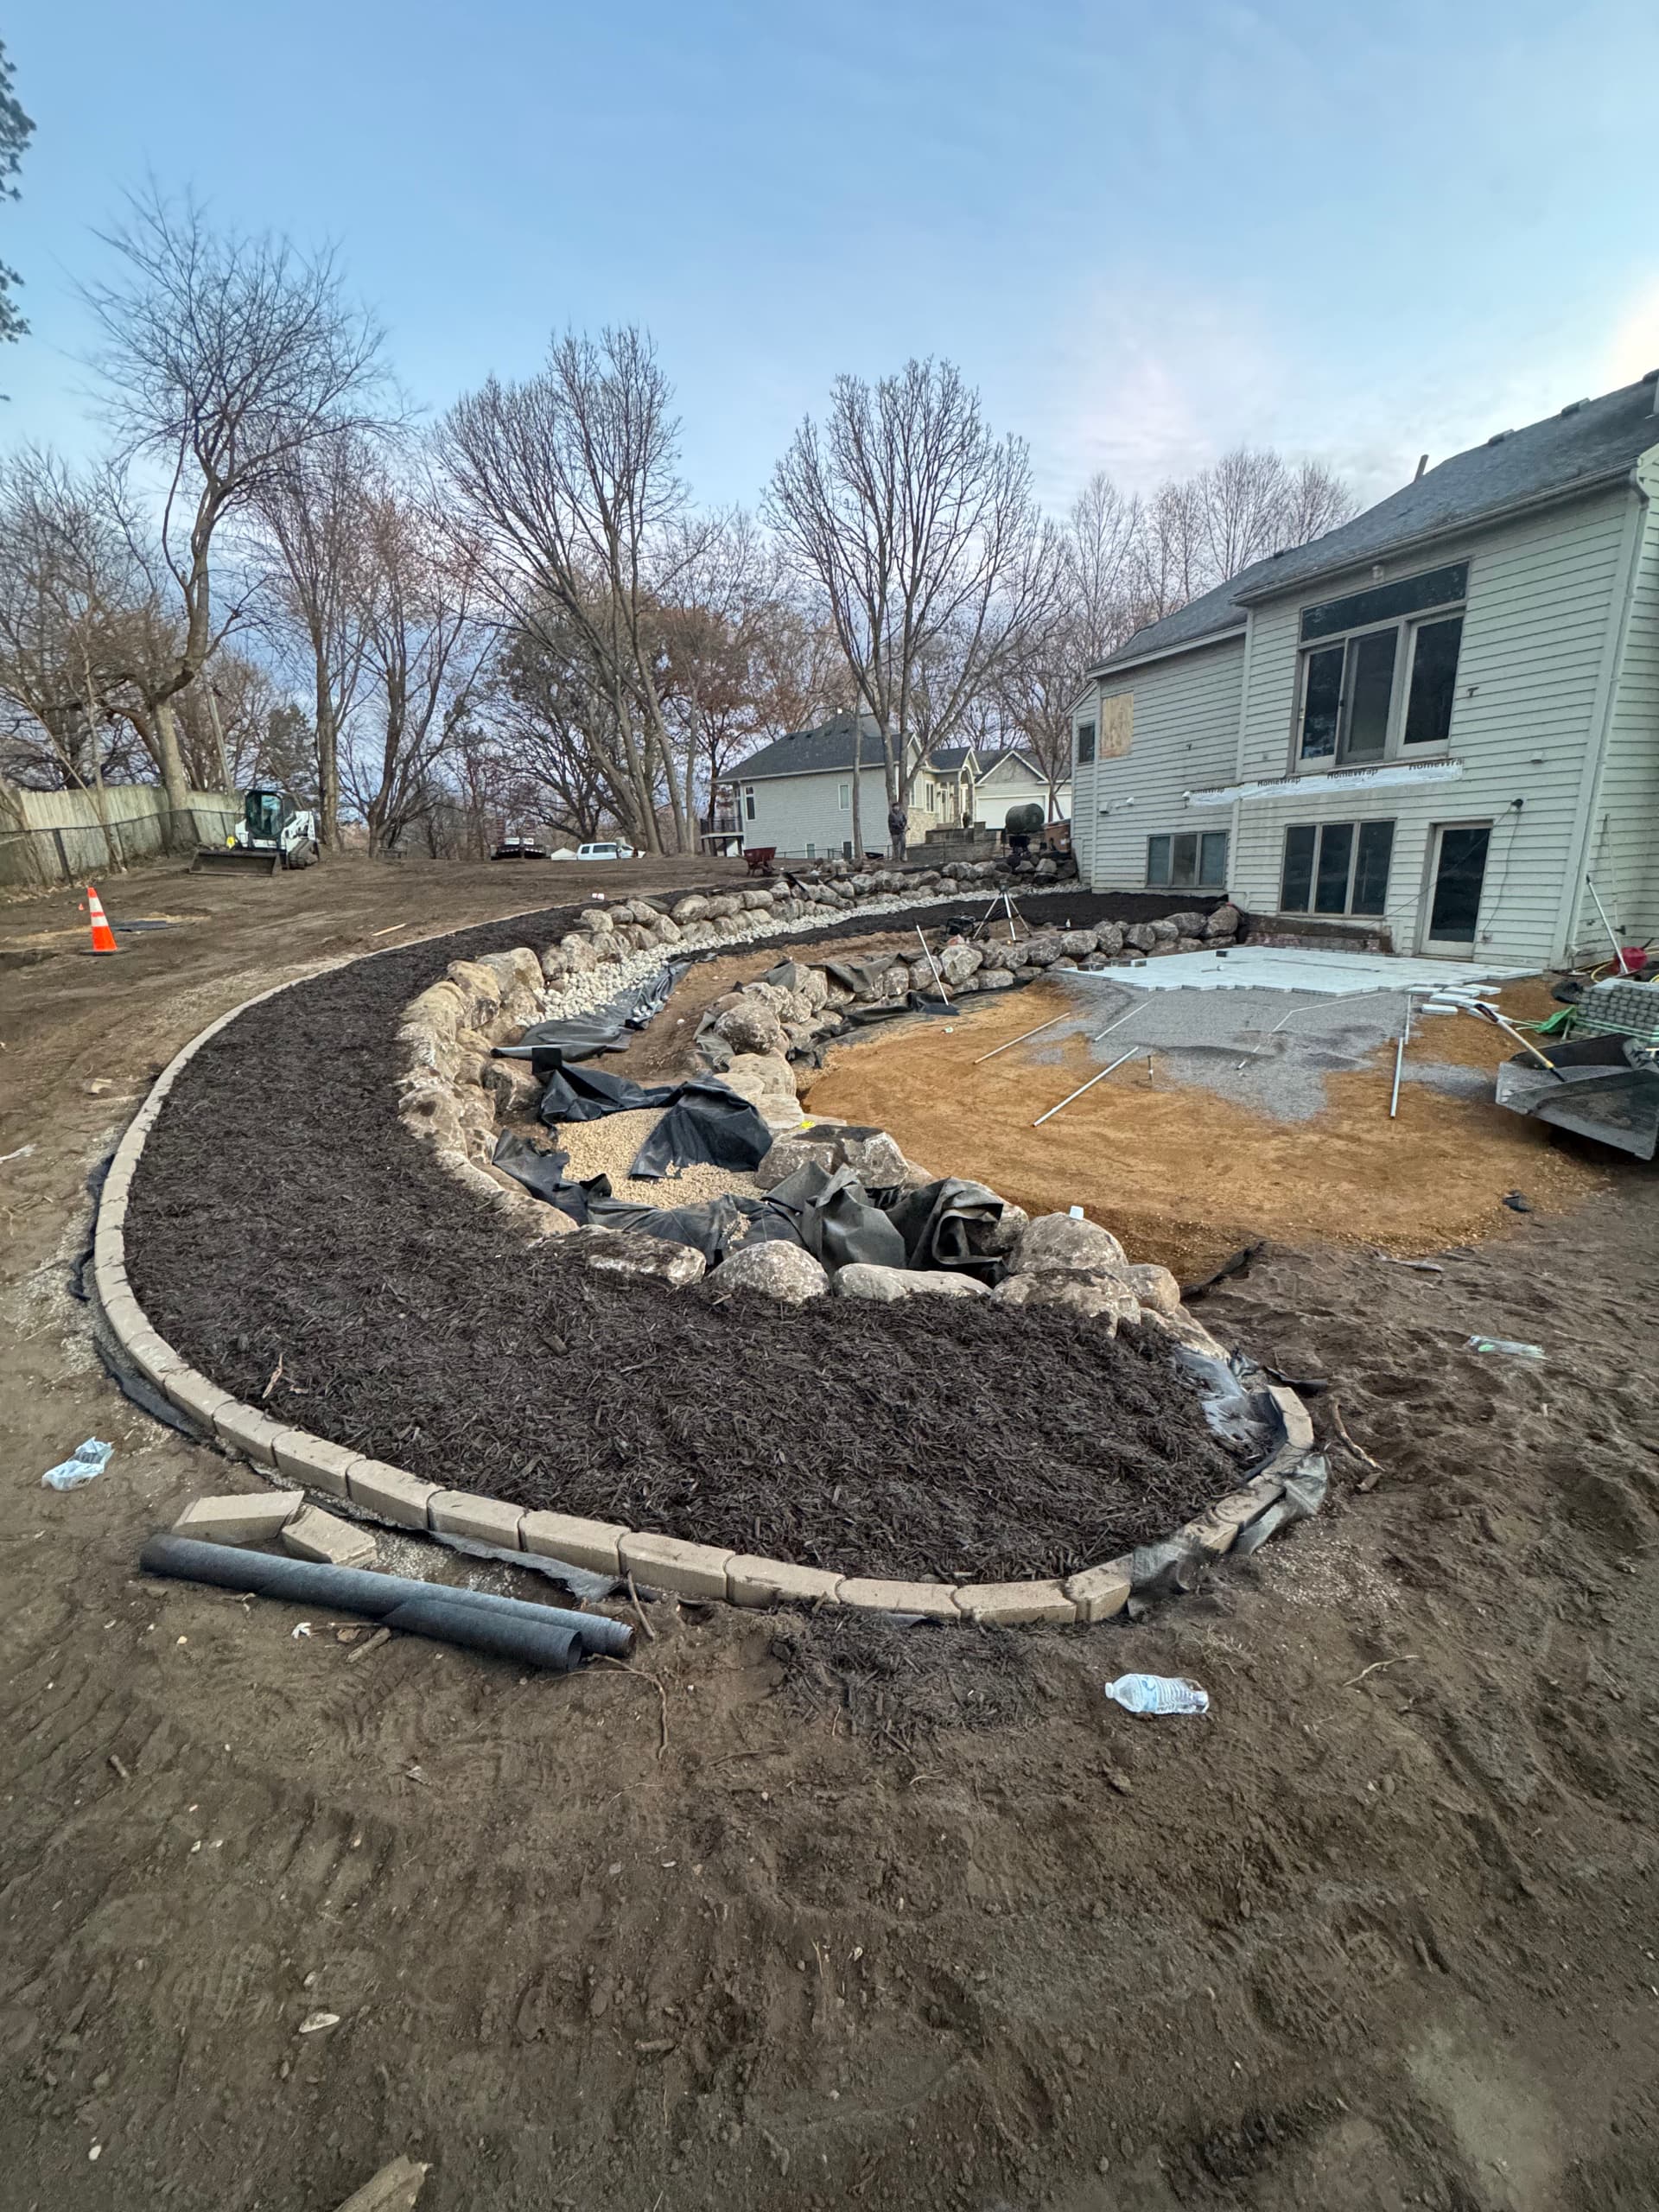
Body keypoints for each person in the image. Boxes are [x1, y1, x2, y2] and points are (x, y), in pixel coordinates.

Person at [887, 798, 908, 862]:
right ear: (893, 807)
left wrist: (903, 825)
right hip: (894, 832)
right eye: (895, 807)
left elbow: (905, 821)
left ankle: (902, 856)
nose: (897, 808)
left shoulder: (901, 814)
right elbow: (891, 823)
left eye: (897, 806)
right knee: (895, 845)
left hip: (901, 831)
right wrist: (896, 826)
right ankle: (897, 858)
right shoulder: (891, 815)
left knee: (903, 844)